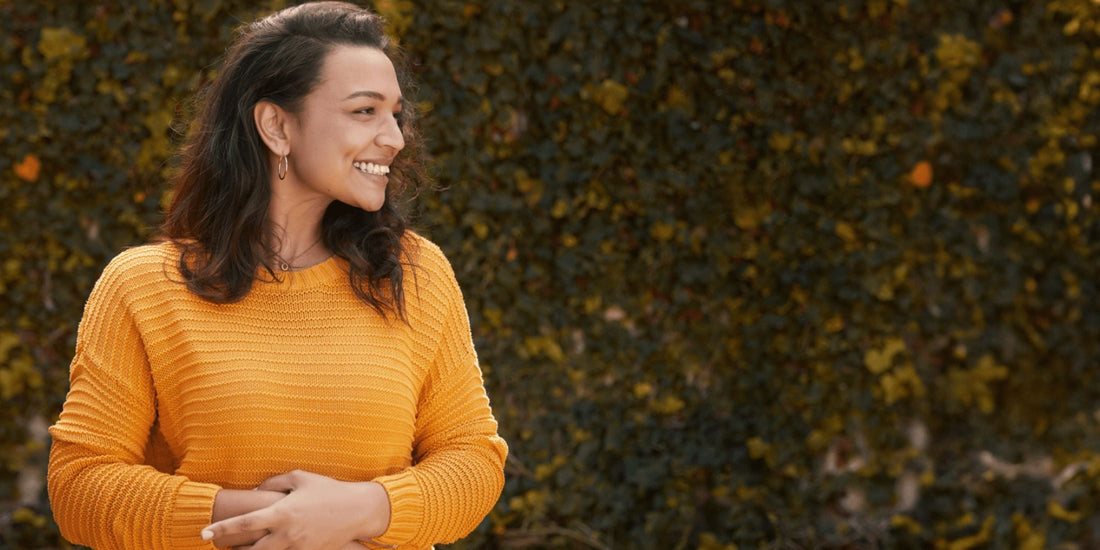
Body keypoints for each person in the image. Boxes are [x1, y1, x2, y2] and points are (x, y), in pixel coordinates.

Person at [47, 2, 508, 549]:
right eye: (365, 111)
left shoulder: (416, 274)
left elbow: (474, 459)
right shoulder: (143, 287)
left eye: (396, 114)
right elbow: (79, 487)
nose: (395, 137)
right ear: (276, 125)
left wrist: (361, 510)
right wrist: (259, 519)